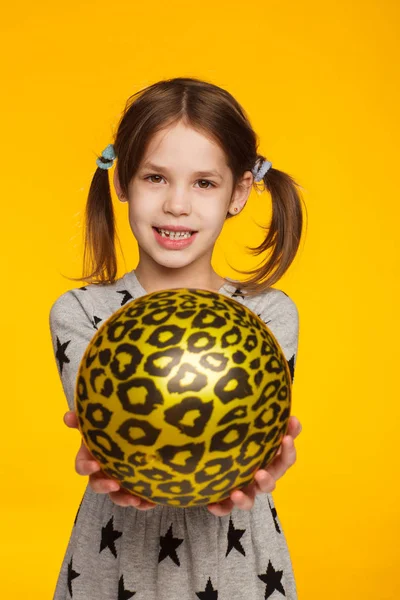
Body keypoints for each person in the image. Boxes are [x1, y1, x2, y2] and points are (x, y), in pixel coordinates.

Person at [49, 76, 305, 600]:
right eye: (156, 178)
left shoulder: (269, 316)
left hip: (240, 571)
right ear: (121, 182)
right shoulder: (79, 313)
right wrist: (104, 469)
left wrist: (264, 469)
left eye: (204, 183)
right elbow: (118, 446)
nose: (177, 205)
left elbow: (249, 446)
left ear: (239, 193)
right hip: (112, 566)